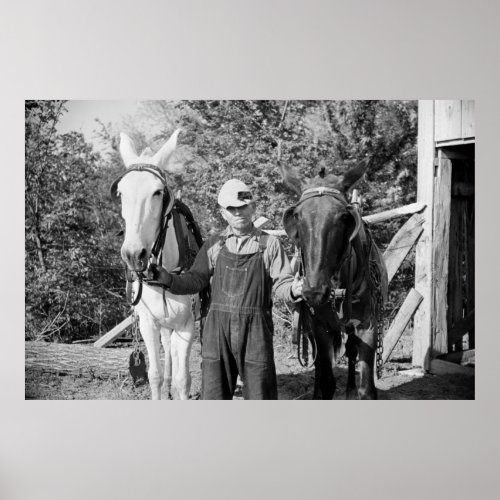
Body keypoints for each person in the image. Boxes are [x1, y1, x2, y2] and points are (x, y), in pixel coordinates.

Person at [146, 179, 303, 400]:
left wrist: (295, 289)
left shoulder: (269, 244)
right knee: (214, 398)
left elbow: (282, 283)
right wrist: (168, 279)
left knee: (261, 398)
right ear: (223, 213)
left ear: (253, 208)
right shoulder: (214, 245)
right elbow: (195, 280)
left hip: (256, 333)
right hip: (217, 333)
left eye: (243, 207)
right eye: (232, 209)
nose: (239, 213)